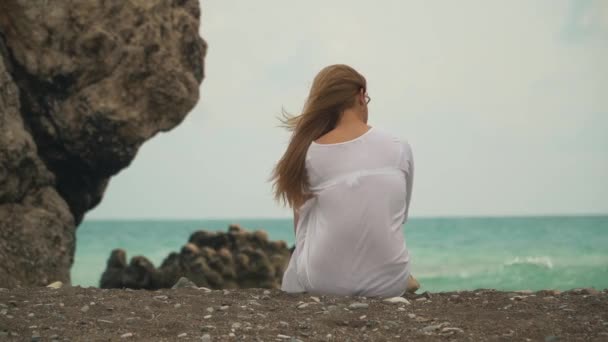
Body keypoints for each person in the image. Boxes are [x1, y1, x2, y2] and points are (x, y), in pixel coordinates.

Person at [271, 64, 418, 297]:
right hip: (391, 282)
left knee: (308, 215)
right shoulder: (400, 146)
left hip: (324, 284)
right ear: (361, 96)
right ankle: (402, 275)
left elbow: (300, 229)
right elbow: (399, 217)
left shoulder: (308, 153)